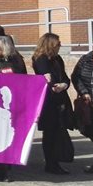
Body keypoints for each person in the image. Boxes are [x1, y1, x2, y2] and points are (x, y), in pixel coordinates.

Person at [29, 33, 73, 176]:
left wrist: (64, 84)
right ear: (50, 44)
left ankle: (55, 161)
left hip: (60, 97)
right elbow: (46, 77)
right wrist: (55, 84)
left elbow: (65, 76)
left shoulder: (57, 59)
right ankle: (51, 162)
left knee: (57, 130)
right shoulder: (40, 59)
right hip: (48, 100)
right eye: (58, 44)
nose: (59, 47)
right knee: (50, 132)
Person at [72, 34, 93, 173]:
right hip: (87, 103)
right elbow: (75, 76)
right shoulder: (86, 59)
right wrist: (84, 92)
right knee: (87, 130)